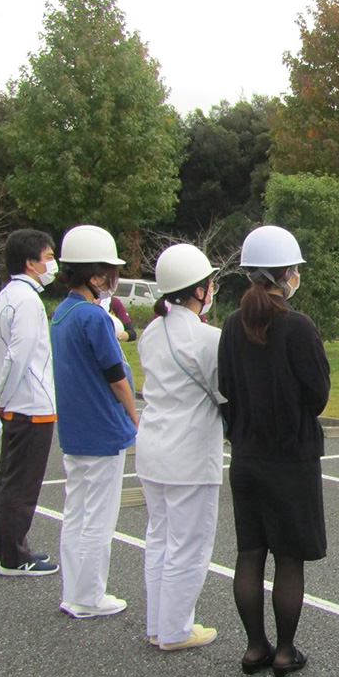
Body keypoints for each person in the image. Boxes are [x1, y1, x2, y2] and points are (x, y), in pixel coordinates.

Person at [218, 225, 330, 677]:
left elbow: (226, 388)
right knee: (288, 557)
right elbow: (318, 393)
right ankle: (284, 651)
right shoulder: (297, 326)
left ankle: (253, 647)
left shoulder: (230, 324)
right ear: (285, 273)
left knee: (250, 553)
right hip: (292, 458)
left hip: (246, 457)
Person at [136, 244, 223, 651]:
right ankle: (175, 630)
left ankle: (158, 624)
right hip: (189, 453)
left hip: (152, 446)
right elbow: (225, 392)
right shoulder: (209, 338)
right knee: (188, 544)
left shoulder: (152, 331)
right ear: (199, 290)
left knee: (160, 537)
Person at [50, 225, 138, 618]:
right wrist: (135, 420)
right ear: (96, 275)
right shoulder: (94, 317)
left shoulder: (62, 312)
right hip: (102, 429)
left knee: (77, 512)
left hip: (75, 429)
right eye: (109, 271)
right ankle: (89, 597)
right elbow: (117, 377)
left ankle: (75, 592)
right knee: (99, 519)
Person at [0, 229, 60, 576]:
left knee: (8, 480)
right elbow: (19, 354)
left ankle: (5, 550)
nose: (52, 264)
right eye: (47, 257)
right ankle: (15, 555)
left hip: (16, 401)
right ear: (30, 263)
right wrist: (0, 396)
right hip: (31, 404)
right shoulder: (27, 300)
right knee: (22, 484)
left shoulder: (7, 295)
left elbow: (2, 357)